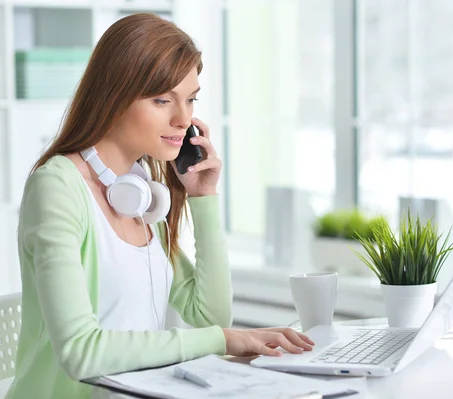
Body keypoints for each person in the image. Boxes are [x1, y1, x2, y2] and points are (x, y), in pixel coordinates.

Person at [6, 13, 314, 399]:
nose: (183, 119)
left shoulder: (143, 194)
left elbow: (210, 315)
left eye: (191, 99)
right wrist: (223, 340)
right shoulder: (58, 188)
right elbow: (79, 352)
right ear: (113, 97)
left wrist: (203, 198)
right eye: (161, 99)